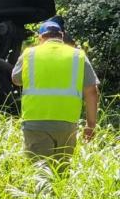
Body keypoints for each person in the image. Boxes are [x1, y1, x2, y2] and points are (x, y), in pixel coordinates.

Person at [11, 20, 99, 162]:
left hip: (35, 122)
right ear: (62, 36)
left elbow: (16, 79)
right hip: (67, 124)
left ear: (40, 38)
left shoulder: (29, 54)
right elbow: (92, 92)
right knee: (61, 173)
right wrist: (90, 125)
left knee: (40, 172)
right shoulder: (78, 56)